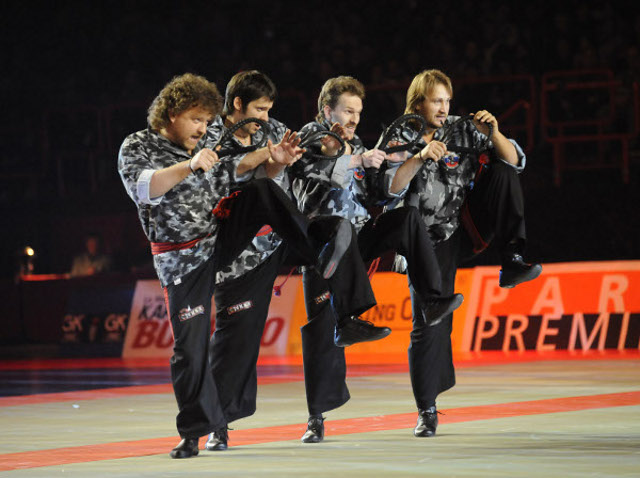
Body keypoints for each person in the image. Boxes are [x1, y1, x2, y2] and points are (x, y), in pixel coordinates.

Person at [118, 73, 356, 459]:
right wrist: (191, 166)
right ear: (173, 113)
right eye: (197, 119)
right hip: (181, 261)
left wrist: (271, 157)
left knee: (261, 190)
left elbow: (238, 169)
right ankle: (193, 433)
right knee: (189, 350)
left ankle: (315, 251)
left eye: (207, 121)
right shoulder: (138, 145)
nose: (203, 128)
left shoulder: (209, 146)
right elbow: (145, 188)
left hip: (220, 241)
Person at [204, 71, 391, 452]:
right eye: (259, 108)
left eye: (269, 108)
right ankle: (217, 425)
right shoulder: (209, 137)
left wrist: (294, 156)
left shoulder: (275, 129)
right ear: (237, 105)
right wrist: (273, 159)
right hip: (241, 253)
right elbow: (224, 178)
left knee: (336, 233)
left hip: (283, 238)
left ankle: (347, 317)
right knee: (237, 337)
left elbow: (291, 165)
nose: (266, 116)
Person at [289, 76, 463, 443]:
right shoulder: (310, 136)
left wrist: (376, 173)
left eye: (358, 112)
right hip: (325, 244)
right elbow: (306, 182)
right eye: (347, 111)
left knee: (407, 220)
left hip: (356, 240)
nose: (353, 118)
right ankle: (315, 418)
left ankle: (431, 299)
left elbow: (378, 196)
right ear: (327, 110)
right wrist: (355, 159)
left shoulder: (359, 145)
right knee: (322, 327)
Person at [388, 69, 542, 438]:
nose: (443, 108)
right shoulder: (399, 134)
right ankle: (427, 409)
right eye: (435, 101)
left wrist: (495, 133)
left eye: (446, 101)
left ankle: (512, 260)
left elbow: (516, 159)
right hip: (422, 239)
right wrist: (422, 156)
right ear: (418, 103)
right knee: (431, 320)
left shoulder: (462, 128)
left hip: (464, 227)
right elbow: (389, 187)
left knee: (505, 172)